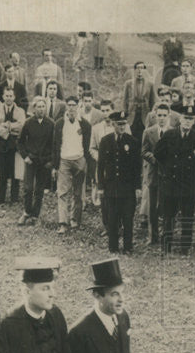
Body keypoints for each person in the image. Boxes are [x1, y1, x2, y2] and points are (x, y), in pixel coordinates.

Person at [155, 106, 195, 254]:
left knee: (187, 217)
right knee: (168, 216)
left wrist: (193, 165)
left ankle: (185, 247)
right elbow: (158, 153)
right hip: (170, 182)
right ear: (180, 119)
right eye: (185, 118)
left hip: (188, 183)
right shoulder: (169, 135)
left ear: (194, 121)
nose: (187, 121)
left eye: (190, 119)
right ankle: (166, 246)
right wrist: (169, 166)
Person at [97, 110, 141, 254]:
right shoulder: (105, 141)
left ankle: (128, 247)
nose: (122, 127)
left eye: (124, 124)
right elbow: (101, 166)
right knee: (112, 218)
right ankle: (113, 247)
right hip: (111, 187)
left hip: (127, 188)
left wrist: (137, 187)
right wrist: (101, 187)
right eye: (119, 124)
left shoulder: (132, 142)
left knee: (128, 219)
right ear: (113, 124)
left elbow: (136, 167)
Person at [53, 95, 92, 235]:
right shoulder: (59, 124)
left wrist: (86, 161)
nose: (71, 108)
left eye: (73, 105)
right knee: (62, 192)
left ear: (78, 106)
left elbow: (88, 145)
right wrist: (55, 165)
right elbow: (55, 145)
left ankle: (75, 220)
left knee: (78, 193)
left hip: (79, 160)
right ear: (66, 106)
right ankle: (63, 223)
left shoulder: (85, 124)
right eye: (69, 105)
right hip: (64, 160)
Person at [17, 96, 55, 226]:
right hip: (31, 160)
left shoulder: (51, 124)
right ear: (34, 108)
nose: (41, 109)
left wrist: (51, 161)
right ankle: (27, 212)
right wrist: (25, 156)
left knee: (39, 189)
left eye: (43, 107)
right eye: (38, 107)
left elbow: (54, 144)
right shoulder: (28, 123)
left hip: (44, 162)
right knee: (28, 187)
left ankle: (35, 215)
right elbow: (20, 142)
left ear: (46, 108)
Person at [142, 103, 174, 245]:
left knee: (167, 206)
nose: (161, 118)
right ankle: (152, 236)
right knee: (153, 207)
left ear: (169, 116)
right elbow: (143, 151)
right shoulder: (149, 132)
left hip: (168, 176)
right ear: (155, 116)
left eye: (164, 116)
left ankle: (166, 236)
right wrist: (154, 158)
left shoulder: (174, 132)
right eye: (159, 115)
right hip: (154, 174)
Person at [0, 85, 25, 204]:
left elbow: (22, 126)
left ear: (14, 97)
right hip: (1, 143)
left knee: (14, 171)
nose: (9, 98)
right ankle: (0, 198)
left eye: (11, 96)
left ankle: (14, 198)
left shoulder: (20, 111)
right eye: (7, 96)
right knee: (2, 172)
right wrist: (9, 131)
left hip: (15, 145)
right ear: (3, 96)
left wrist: (8, 125)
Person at [122, 61, 156, 141]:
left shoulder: (150, 84)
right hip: (132, 115)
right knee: (131, 137)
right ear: (135, 70)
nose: (140, 70)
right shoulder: (128, 84)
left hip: (144, 116)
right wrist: (125, 115)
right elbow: (125, 100)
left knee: (143, 137)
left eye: (142, 68)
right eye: (138, 68)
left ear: (145, 70)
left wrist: (152, 116)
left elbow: (152, 102)